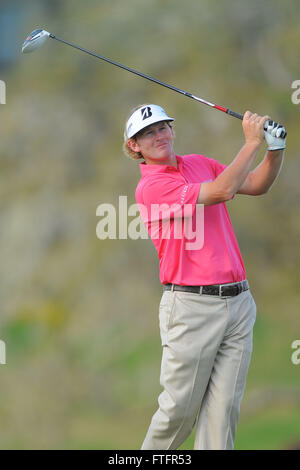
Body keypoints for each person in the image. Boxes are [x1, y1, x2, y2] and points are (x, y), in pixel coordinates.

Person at [123, 104, 286, 450]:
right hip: (191, 306)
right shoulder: (150, 188)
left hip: (239, 303)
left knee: (223, 411)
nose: (159, 135)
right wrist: (252, 143)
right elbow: (221, 192)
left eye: (163, 127)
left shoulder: (198, 163)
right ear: (134, 146)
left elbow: (255, 184)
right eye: (148, 133)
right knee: (178, 410)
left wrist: (275, 149)